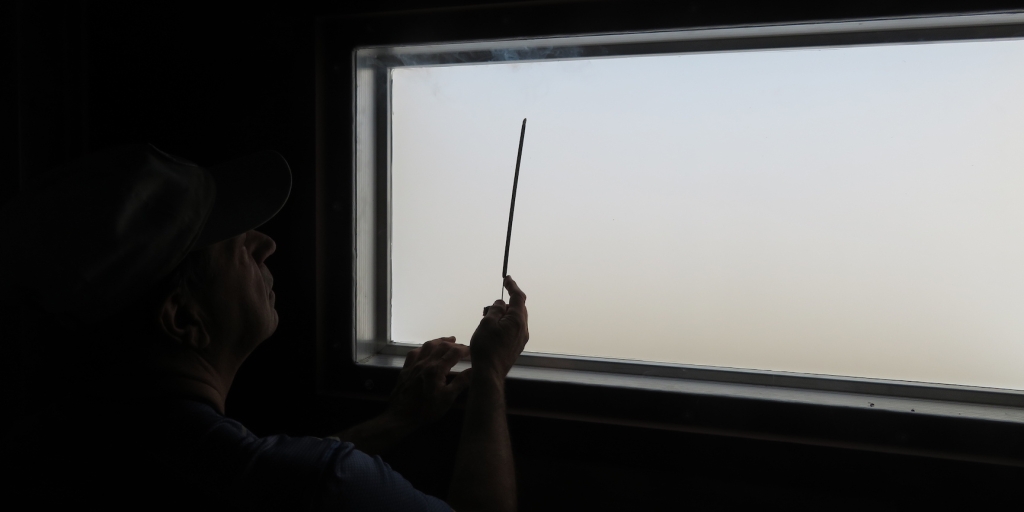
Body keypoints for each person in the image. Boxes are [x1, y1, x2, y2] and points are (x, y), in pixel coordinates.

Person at [0, 144, 529, 511]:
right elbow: (299, 481)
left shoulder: (56, 449)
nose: (265, 243)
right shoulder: (316, 481)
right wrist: (489, 373)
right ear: (183, 319)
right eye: (231, 242)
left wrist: (396, 421)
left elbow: (257, 477)